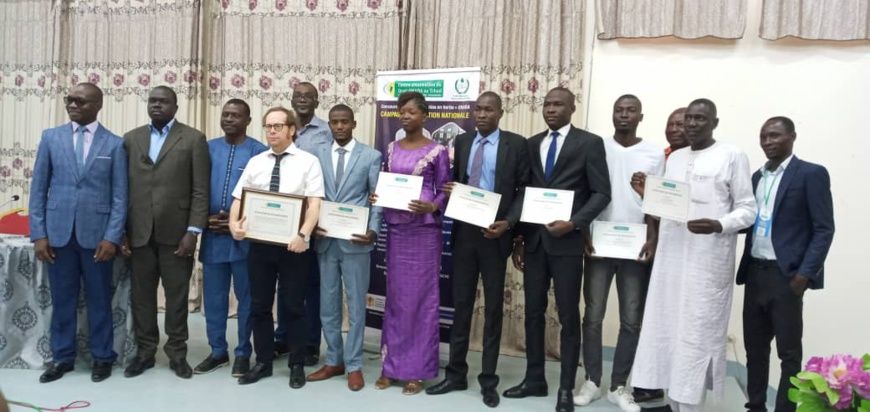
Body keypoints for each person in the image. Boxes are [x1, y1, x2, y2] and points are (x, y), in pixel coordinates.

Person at [630, 98, 756, 412]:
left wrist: (718, 224)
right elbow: (664, 204)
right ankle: (672, 400)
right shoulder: (673, 158)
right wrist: (648, 196)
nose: (693, 124)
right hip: (671, 257)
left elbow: (748, 210)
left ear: (714, 122)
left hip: (707, 260)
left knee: (696, 331)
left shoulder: (731, 155)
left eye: (700, 118)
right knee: (666, 325)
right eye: (689, 118)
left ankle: (689, 405)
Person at [506, 87, 611, 412]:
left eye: (558, 104)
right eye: (547, 104)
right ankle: (534, 378)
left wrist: (576, 223)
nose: (551, 109)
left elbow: (601, 193)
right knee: (533, 313)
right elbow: (525, 192)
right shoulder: (532, 143)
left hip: (566, 244)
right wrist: (520, 237)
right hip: (536, 242)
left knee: (568, 316)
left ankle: (566, 387)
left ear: (572, 107)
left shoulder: (590, 144)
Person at [425, 91, 530, 408]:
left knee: (494, 309)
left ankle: (488, 380)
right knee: (461, 306)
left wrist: (509, 224)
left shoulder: (516, 144)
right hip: (465, 233)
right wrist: (450, 190)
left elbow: (523, 190)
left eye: (488, 110)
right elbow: (458, 183)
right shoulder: (464, 142)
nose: (481, 114)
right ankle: (456, 374)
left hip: (495, 234)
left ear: (500, 112)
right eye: (477, 109)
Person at [29, 83, 127, 383]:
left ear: (97, 105)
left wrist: (112, 237)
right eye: (69, 100)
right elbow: (38, 189)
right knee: (63, 300)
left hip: (97, 238)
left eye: (80, 101)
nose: (72, 105)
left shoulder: (114, 144)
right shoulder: (51, 138)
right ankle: (62, 357)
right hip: (58, 236)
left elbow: (120, 197)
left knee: (99, 299)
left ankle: (102, 357)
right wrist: (39, 234)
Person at [736, 117, 834, 412]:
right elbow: (746, 221)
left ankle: (785, 409)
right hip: (755, 272)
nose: (768, 141)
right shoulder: (756, 177)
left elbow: (824, 229)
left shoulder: (811, 174)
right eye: (763, 136)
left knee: (789, 353)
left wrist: (804, 275)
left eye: (775, 135)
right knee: (754, 348)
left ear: (792, 136)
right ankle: (755, 404)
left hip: (787, 276)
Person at [574, 95, 663, 412]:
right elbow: (586, 191)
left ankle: (619, 386)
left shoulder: (654, 152)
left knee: (631, 320)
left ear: (641, 116)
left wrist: (652, 237)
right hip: (599, 241)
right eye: (618, 110)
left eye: (631, 111)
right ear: (612, 114)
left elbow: (659, 199)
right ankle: (593, 381)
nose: (624, 115)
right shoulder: (597, 146)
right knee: (593, 316)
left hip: (635, 245)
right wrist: (584, 231)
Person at [229, 106, 323, 389]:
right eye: (268, 126)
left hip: (294, 247)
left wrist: (303, 234)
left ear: (292, 129)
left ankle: (296, 364)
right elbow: (239, 198)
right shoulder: (257, 162)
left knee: (294, 306)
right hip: (260, 245)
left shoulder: (309, 162)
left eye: (278, 126)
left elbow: (315, 203)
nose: (272, 131)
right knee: (259, 306)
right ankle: (264, 362)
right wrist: (235, 225)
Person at [120, 86, 209, 379]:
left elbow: (200, 191)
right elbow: (122, 190)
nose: (157, 105)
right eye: (152, 101)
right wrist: (122, 231)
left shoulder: (193, 139)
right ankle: (145, 352)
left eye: (163, 101)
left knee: (177, 297)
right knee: (142, 297)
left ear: (175, 106)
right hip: (139, 233)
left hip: (177, 234)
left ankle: (177, 353)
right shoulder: (132, 139)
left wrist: (193, 230)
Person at [370, 91, 450, 395]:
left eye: (411, 112)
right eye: (401, 112)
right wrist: (379, 196)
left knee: (422, 302)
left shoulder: (438, 150)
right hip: (398, 232)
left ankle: (417, 369)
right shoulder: (391, 148)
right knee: (398, 300)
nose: (405, 116)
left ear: (424, 116)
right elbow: (388, 183)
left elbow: (445, 188)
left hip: (425, 234)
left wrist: (433, 206)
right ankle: (391, 368)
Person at [305, 104, 382, 391]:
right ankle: (334, 359)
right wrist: (311, 224)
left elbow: (378, 197)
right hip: (325, 240)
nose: (339, 127)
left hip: (355, 242)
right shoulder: (317, 156)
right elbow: (312, 196)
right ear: (329, 124)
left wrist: (373, 230)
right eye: (334, 122)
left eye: (344, 122)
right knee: (328, 305)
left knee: (357, 305)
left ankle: (354, 364)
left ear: (353, 124)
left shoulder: (371, 156)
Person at [193, 99, 267, 377]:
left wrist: (238, 220)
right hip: (212, 235)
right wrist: (203, 220)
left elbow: (264, 197)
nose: (229, 119)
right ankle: (217, 351)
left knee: (247, 298)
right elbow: (195, 188)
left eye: (236, 115)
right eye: (225, 114)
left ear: (248, 120)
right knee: (213, 298)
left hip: (245, 237)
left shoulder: (259, 152)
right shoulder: (207, 149)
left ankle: (243, 353)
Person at [632, 106, 688, 405]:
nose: (676, 129)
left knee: (678, 317)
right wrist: (644, 194)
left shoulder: (699, 161)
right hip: (657, 245)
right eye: (671, 123)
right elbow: (657, 209)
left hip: (687, 251)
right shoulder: (661, 157)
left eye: (682, 124)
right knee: (650, 313)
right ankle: (651, 381)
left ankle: (678, 382)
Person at [274, 81, 330, 366]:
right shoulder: (282, 127)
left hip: (313, 218)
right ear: (292, 100)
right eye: (298, 96)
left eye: (309, 96)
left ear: (317, 101)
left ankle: (309, 342)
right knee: (285, 282)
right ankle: (282, 337)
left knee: (310, 284)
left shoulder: (327, 131)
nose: (303, 100)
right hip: (281, 218)